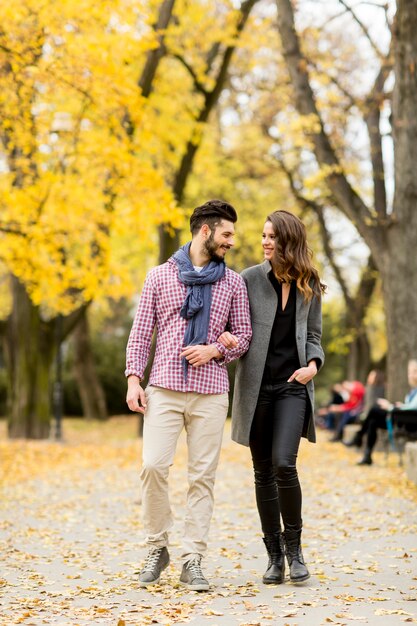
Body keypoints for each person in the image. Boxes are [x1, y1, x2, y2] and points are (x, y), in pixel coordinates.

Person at [125, 200, 252, 591]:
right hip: (163, 387)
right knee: (153, 466)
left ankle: (192, 558)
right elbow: (141, 332)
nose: (231, 242)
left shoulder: (232, 283)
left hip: (211, 393)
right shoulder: (159, 277)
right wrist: (133, 378)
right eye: (226, 234)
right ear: (205, 231)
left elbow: (243, 336)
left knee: (202, 478)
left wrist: (218, 349)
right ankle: (157, 546)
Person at [219, 210, 325, 585]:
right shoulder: (247, 279)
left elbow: (314, 335)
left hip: (293, 387)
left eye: (272, 237)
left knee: (284, 463)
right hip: (256, 388)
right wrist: (227, 338)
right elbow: (232, 325)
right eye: (263, 236)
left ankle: (295, 551)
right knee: (262, 471)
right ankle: (274, 556)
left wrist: (313, 364)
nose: (265, 242)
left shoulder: (310, 283)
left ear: (289, 241)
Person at [349, 359, 417, 465]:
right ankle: (367, 456)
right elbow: (409, 407)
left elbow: (412, 409)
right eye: (410, 372)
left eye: (414, 371)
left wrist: (390, 406)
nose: (411, 375)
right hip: (402, 419)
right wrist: (398, 406)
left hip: (407, 423)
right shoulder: (413, 391)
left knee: (374, 410)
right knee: (373, 421)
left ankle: (359, 436)